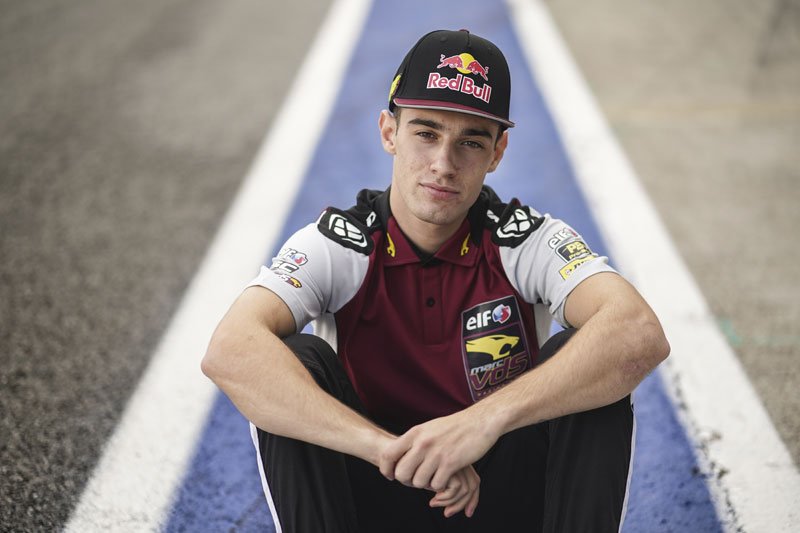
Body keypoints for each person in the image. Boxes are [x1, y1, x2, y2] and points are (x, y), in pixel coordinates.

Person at [202, 29, 669, 533]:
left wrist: (479, 424)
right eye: (426, 133)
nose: (444, 164)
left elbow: (638, 331)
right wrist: (391, 451)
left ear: (497, 152)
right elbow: (230, 350)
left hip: (501, 498)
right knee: (295, 357)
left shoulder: (525, 240)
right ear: (389, 132)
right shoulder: (339, 244)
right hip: (372, 496)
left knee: (589, 361)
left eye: (470, 142)